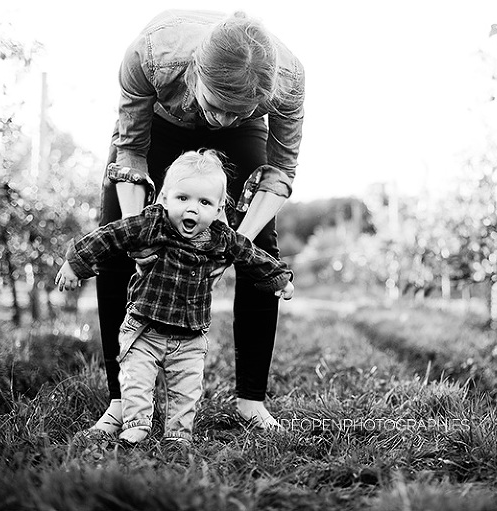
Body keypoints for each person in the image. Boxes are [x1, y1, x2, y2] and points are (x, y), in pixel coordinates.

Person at [92, 9, 305, 433]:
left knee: (260, 250)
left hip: (242, 136)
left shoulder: (288, 82)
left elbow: (280, 172)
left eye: (238, 111)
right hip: (160, 123)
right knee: (115, 242)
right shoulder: (150, 56)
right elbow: (130, 151)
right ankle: (120, 400)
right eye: (219, 107)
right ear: (196, 77)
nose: (221, 121)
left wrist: (235, 242)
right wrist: (140, 235)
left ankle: (251, 401)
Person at [56, 149, 295, 445]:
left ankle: (179, 434)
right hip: (144, 327)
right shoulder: (151, 224)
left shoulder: (221, 237)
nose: (192, 210)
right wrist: (75, 264)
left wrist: (278, 278)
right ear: (165, 198)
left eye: (204, 202)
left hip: (190, 336)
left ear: (220, 208)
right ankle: (136, 423)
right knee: (137, 378)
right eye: (183, 199)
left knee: (187, 388)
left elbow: (252, 255)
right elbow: (110, 235)